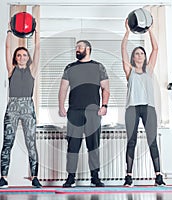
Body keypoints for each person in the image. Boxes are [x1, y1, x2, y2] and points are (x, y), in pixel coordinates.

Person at [0, 23, 42, 188]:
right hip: (12, 107)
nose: (22, 57)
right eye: (19, 55)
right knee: (8, 143)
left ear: (28, 58)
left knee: (31, 143)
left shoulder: (32, 70)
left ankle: (35, 177)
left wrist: (36, 34)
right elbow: (7, 49)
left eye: (24, 55)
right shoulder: (11, 70)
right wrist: (9, 31)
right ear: (16, 58)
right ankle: (3, 178)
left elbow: (38, 51)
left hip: (28, 107)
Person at [58, 40, 110, 187]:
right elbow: (63, 89)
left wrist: (104, 106)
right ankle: (70, 178)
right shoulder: (70, 67)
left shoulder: (99, 67)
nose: (77, 49)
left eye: (79, 47)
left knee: (93, 145)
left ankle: (95, 177)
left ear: (88, 49)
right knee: (73, 146)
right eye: (76, 47)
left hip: (93, 112)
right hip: (74, 112)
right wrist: (61, 106)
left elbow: (105, 88)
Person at [121, 19, 166, 187]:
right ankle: (129, 176)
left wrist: (150, 30)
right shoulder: (129, 70)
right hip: (132, 108)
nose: (139, 55)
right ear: (133, 57)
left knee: (152, 140)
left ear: (145, 57)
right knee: (131, 141)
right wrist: (127, 31)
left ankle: (159, 176)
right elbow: (123, 50)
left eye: (142, 53)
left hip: (149, 107)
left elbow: (156, 48)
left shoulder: (150, 69)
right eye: (137, 54)